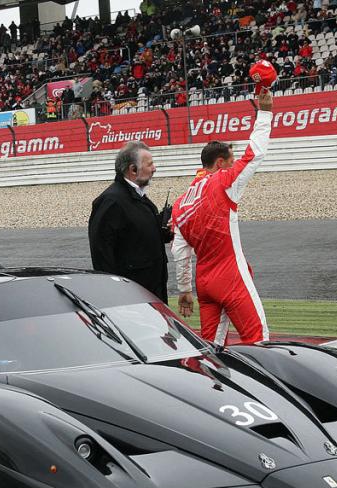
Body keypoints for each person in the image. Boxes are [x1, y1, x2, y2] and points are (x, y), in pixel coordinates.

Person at [170, 89, 273, 345]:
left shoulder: (181, 203)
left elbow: (180, 253)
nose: (233, 165)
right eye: (231, 161)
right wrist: (265, 113)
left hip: (204, 284)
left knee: (211, 349)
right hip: (230, 276)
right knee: (258, 339)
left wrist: (185, 290)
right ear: (219, 163)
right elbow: (255, 154)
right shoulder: (223, 181)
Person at [88, 141, 172, 302]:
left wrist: (165, 230)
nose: (154, 169)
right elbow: (102, 256)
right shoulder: (111, 202)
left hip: (152, 293)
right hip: (132, 298)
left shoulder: (139, 197)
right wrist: (117, 297)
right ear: (133, 170)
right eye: (150, 164)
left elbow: (139, 237)